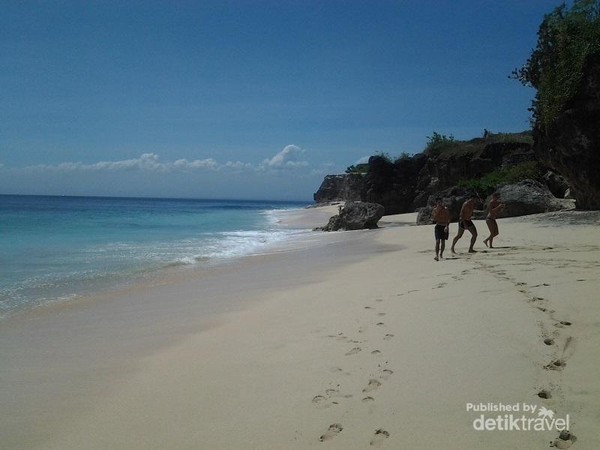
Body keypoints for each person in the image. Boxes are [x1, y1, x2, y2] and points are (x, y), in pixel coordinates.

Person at [432, 197, 450, 261]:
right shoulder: (434, 210)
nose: (439, 204)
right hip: (438, 226)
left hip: (444, 226)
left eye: (440, 202)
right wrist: (438, 211)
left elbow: (448, 219)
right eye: (438, 202)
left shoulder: (445, 209)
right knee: (437, 241)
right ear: (436, 203)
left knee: (443, 241)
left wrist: (447, 226)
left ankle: (441, 254)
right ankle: (436, 255)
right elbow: (434, 219)